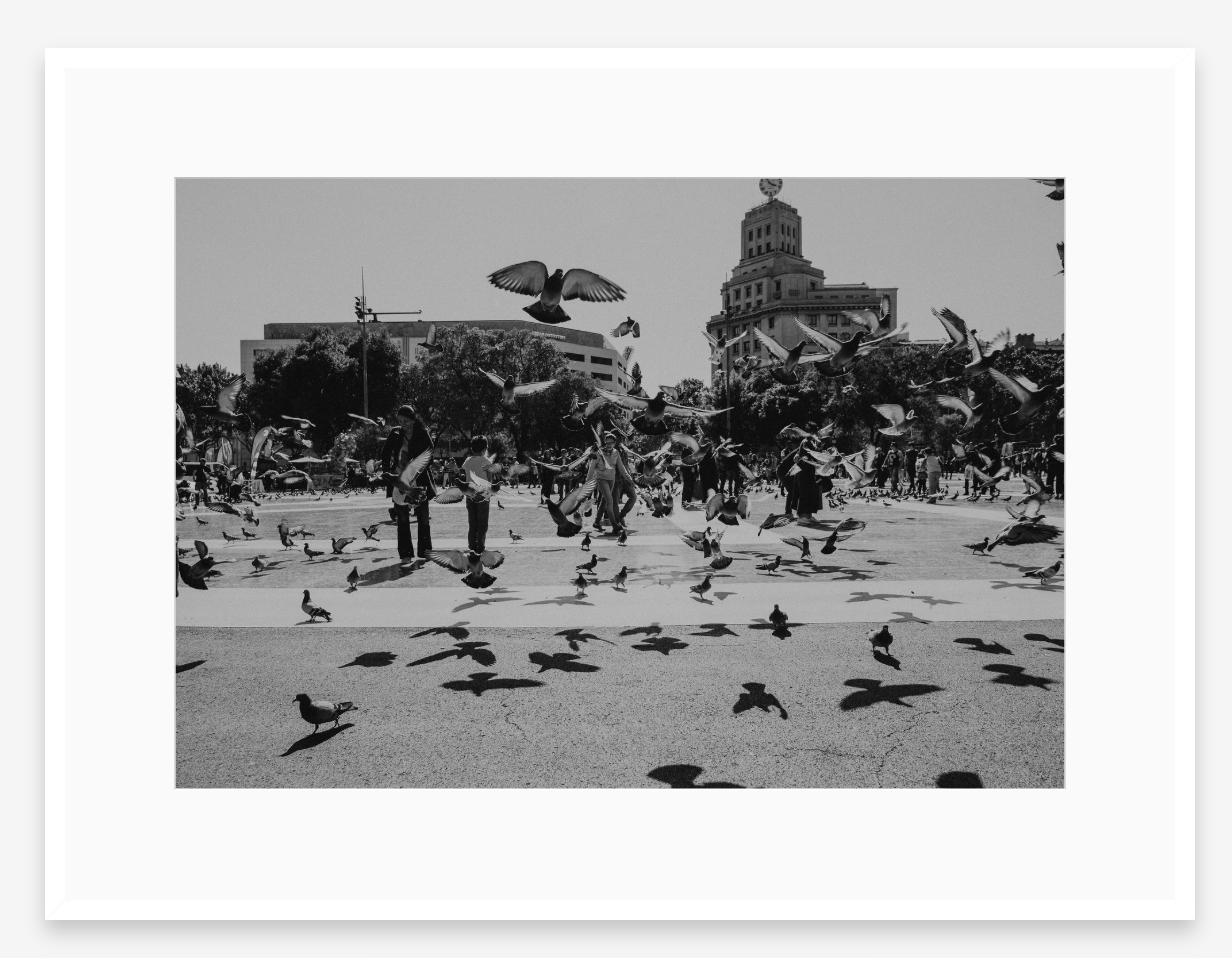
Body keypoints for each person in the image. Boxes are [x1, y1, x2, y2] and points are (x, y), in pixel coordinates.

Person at [381, 404, 436, 565]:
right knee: (402, 518)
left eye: (405, 421)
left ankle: (425, 552)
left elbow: (430, 454)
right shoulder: (395, 432)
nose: (402, 424)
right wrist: (387, 472)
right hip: (399, 480)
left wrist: (416, 472)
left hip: (419, 480)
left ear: (413, 420)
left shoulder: (422, 432)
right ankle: (406, 554)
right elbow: (386, 453)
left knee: (423, 517)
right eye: (400, 421)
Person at [459, 434, 495, 553]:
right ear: (485, 449)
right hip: (483, 496)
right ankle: (480, 546)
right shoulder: (486, 461)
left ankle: (471, 545)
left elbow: (463, 477)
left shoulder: (467, 461)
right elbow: (490, 480)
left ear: (472, 449)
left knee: (472, 521)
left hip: (470, 495)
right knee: (482, 522)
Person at [586, 434, 624, 534]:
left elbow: (621, 467)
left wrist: (629, 479)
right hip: (601, 479)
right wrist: (587, 481)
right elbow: (591, 467)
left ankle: (596, 522)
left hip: (612, 479)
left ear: (615, 443)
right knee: (609, 500)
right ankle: (615, 524)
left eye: (611, 443)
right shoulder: (598, 453)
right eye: (607, 442)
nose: (609, 444)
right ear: (604, 442)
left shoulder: (616, 452)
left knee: (604, 501)